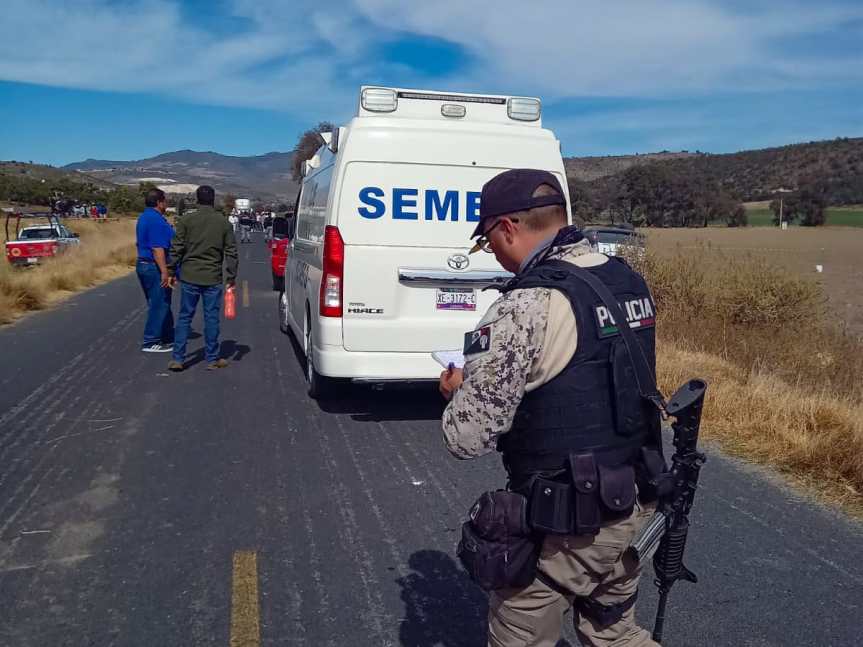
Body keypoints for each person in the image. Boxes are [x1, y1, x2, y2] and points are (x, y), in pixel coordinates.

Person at [439, 169, 663, 647]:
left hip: (568, 522)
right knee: (617, 635)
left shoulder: (526, 304)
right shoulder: (627, 281)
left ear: (507, 228)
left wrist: (459, 389)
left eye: (488, 243)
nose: (495, 255)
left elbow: (466, 436)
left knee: (518, 632)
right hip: (635, 500)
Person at [167, 185, 239, 371]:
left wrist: (170, 270)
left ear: (197, 199)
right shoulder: (223, 223)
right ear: (213, 200)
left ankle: (178, 358)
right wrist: (231, 276)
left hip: (189, 276)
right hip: (212, 278)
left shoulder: (186, 220)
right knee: (211, 318)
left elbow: (177, 248)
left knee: (184, 318)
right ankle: (212, 358)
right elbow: (231, 252)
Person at [135, 188, 175, 353]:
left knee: (161, 302)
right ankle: (150, 341)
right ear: (159, 202)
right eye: (165, 200)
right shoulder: (155, 220)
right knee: (159, 303)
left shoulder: (146, 217)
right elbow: (157, 249)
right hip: (153, 266)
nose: (166, 203)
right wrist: (165, 272)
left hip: (146, 265)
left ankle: (167, 335)